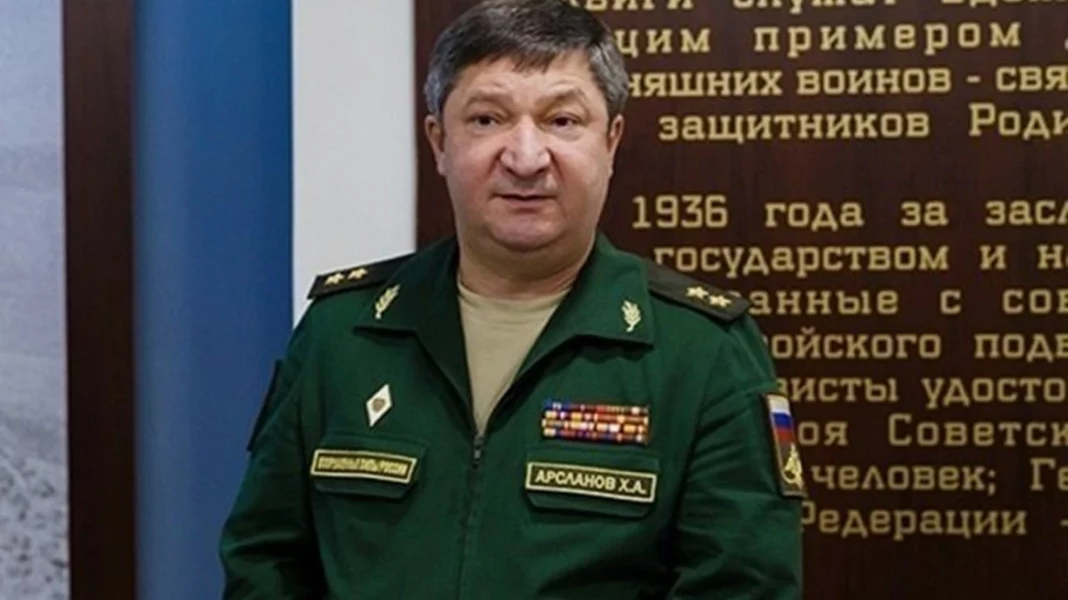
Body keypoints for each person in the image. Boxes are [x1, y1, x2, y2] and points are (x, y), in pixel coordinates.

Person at [219, 0, 804, 597]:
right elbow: (264, 563)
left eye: (563, 121)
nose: (526, 158)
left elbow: (743, 586)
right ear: (439, 142)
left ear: (611, 141)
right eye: (487, 119)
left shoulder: (703, 351)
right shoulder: (340, 334)